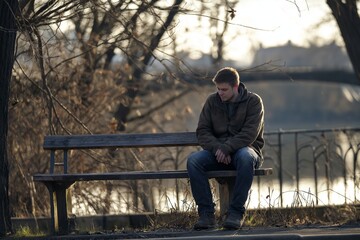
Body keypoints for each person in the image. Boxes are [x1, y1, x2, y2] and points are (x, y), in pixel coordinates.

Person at [187, 67, 265, 230]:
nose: (220, 93)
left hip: (246, 150)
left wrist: (227, 148)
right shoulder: (212, 101)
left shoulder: (253, 101)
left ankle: (236, 213)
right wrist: (218, 149)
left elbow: (249, 133)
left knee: (245, 156)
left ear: (235, 87)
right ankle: (207, 215)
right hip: (217, 153)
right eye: (218, 89)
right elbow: (202, 131)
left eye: (224, 89)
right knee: (194, 161)